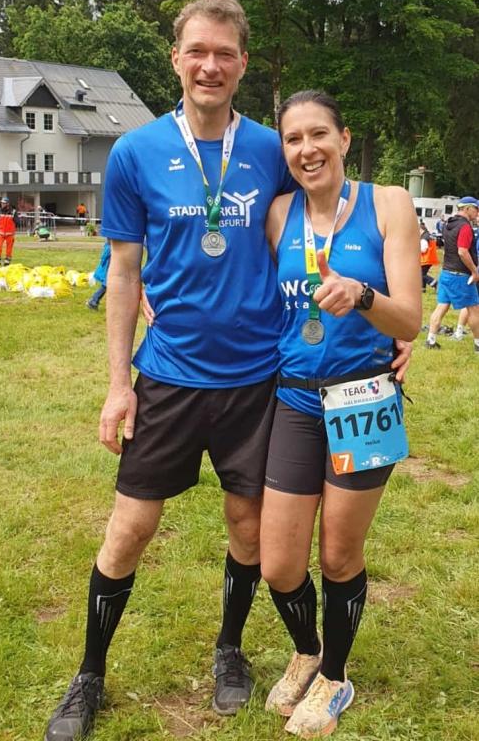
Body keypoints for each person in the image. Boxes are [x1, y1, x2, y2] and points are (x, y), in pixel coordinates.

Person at [44, 0, 411, 741]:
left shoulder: (273, 150)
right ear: (175, 59)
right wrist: (117, 385)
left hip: (259, 381)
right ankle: (88, 676)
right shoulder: (135, 152)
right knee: (130, 529)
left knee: (250, 529)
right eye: (197, 51)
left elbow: (328, 221)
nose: (210, 65)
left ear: (243, 64)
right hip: (169, 375)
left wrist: (388, 324)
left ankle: (231, 650)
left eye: (224, 53)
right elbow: (123, 270)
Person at [259, 90, 421, 737]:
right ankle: (307, 650)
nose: (307, 149)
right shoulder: (278, 214)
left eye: (319, 134)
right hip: (295, 398)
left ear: (345, 139)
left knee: (338, 554)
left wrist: (362, 294)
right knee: (278, 563)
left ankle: (334, 675)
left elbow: (409, 319)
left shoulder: (389, 204)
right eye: (293, 139)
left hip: (365, 398)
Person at [425, 196, 479, 353]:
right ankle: (478, 344)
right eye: (476, 209)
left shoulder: (448, 223)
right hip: (460, 275)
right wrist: (474, 271)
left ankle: (430, 340)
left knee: (441, 306)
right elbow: (462, 251)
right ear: (467, 208)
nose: (477, 213)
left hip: (446, 272)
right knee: (474, 309)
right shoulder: (465, 227)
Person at [0, 196, 21, 265]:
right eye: (1, 203)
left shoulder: (13, 212)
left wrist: (13, 228)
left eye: (4, 203)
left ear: (8, 204)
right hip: (0, 233)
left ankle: (7, 260)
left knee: (9, 248)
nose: (2, 204)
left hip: (10, 234)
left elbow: (18, 222)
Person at [86, 240, 111, 310]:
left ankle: (94, 300)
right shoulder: (110, 244)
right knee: (107, 284)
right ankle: (93, 300)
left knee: (108, 284)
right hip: (111, 265)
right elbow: (105, 255)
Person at [419, 221, 438, 292]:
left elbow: (423, 249)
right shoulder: (429, 235)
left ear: (420, 229)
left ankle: (435, 283)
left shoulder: (424, 238)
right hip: (430, 258)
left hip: (426, 259)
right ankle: (422, 289)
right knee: (423, 274)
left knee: (421, 274)